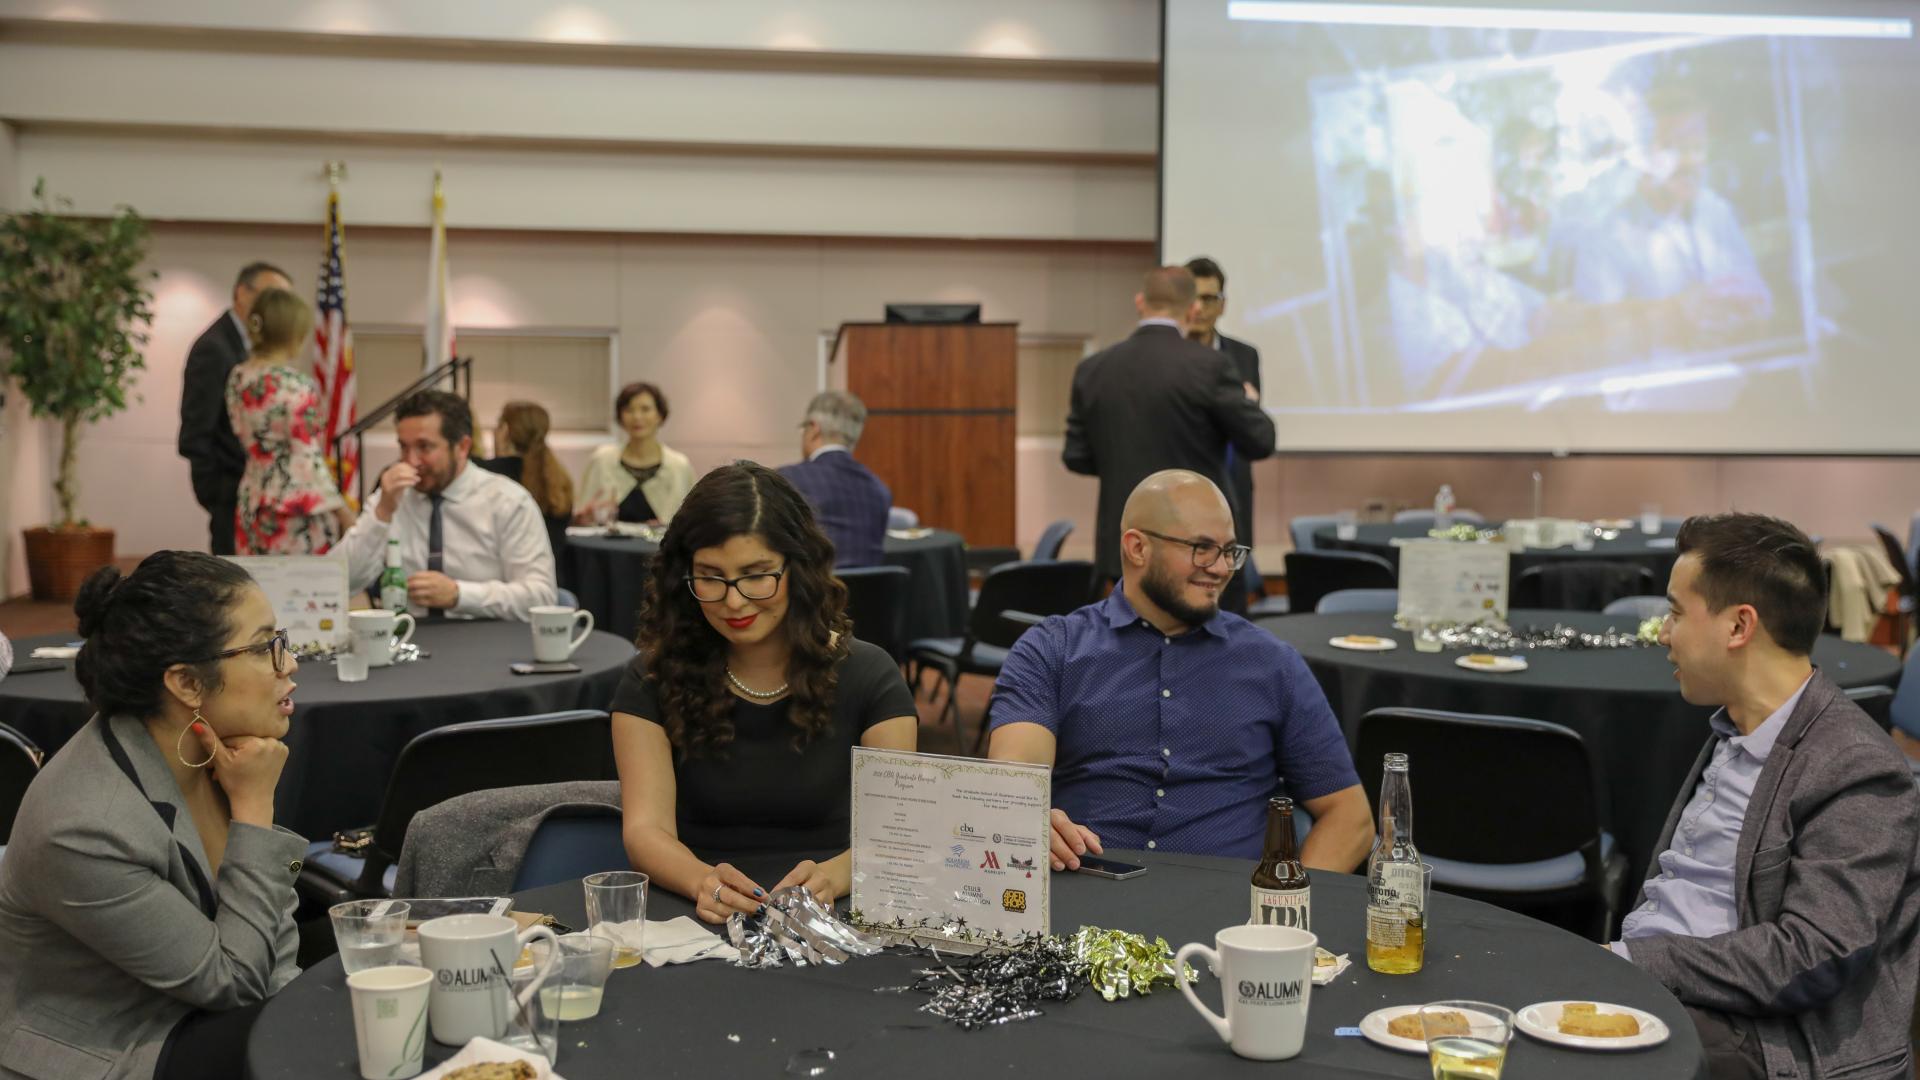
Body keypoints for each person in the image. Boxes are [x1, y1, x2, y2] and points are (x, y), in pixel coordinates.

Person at [1608, 513, 1919, 1080]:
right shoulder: (1735, 729)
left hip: (1768, 1039)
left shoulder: (1856, 766)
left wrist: (1634, 962)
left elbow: (1814, 953)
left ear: (1738, 627)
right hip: (1676, 989)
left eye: (1676, 612)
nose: (1661, 632)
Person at [0, 553, 303, 1080]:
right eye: (263, 647)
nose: (290, 663)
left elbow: (274, 935)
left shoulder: (215, 751)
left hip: (207, 1005)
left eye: (282, 640)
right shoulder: (83, 826)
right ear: (186, 683)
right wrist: (255, 809)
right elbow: (233, 983)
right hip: (115, 1047)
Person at [988, 470, 1372, 871]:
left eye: (1230, 551)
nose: (1222, 568)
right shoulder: (1053, 650)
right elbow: (1011, 786)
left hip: (1229, 915)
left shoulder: (1271, 663)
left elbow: (1350, 817)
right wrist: (1026, 817)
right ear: (1137, 548)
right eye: (1202, 548)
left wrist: (1282, 912)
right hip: (1088, 892)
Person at [608, 462, 917, 922]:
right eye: (710, 577)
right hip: (697, 909)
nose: (734, 601)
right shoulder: (650, 680)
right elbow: (646, 831)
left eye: (757, 575)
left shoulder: (870, 676)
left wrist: (834, 877)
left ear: (800, 569)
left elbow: (898, 831)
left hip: (837, 913)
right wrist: (701, 880)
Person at [1064, 266, 1275, 612]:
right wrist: (1249, 404)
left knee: (1130, 657)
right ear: (1192, 309)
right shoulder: (1210, 366)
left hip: (1127, 545)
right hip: (1200, 554)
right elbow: (1260, 441)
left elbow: (1076, 456)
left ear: (1139, 303)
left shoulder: (1094, 368)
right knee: (1208, 660)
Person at [335, 390, 557, 620]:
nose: (411, 461)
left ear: (462, 447)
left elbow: (541, 597)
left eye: (424, 447)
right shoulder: (392, 497)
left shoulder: (508, 502)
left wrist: (460, 595)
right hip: (407, 640)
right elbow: (337, 584)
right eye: (404, 447)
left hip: (488, 641)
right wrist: (382, 513)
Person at [178, 262, 293, 555]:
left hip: (261, 498)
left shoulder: (253, 349)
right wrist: (218, 493)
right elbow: (196, 430)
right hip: (230, 491)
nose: (278, 308)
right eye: (272, 296)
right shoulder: (215, 347)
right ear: (242, 293)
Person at [226, 288, 351, 555]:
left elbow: (239, 430)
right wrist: (342, 512)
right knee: (299, 589)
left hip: (252, 499)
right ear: (293, 334)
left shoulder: (238, 377)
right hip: (293, 510)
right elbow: (305, 456)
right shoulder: (295, 385)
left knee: (258, 587)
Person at [1183, 257, 1263, 550]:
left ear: (1222, 304)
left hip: (1233, 489)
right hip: (1180, 492)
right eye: (1193, 298)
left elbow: (1250, 429)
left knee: (1233, 583)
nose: (1200, 308)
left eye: (1209, 298)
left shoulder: (1245, 356)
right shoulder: (1168, 357)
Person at [778, 391, 891, 568]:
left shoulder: (785, 481)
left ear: (814, 428)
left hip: (812, 593)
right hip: (868, 595)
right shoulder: (879, 490)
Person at [576, 382, 695, 526]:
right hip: (607, 547)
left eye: (645, 409)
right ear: (620, 416)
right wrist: (583, 518)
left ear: (659, 415)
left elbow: (693, 523)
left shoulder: (679, 466)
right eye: (628, 410)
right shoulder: (602, 460)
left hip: (662, 547)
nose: (637, 416)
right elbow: (580, 519)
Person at [481, 400, 573, 560]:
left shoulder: (486, 475)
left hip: (504, 580)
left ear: (505, 431)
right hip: (553, 580)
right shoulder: (559, 479)